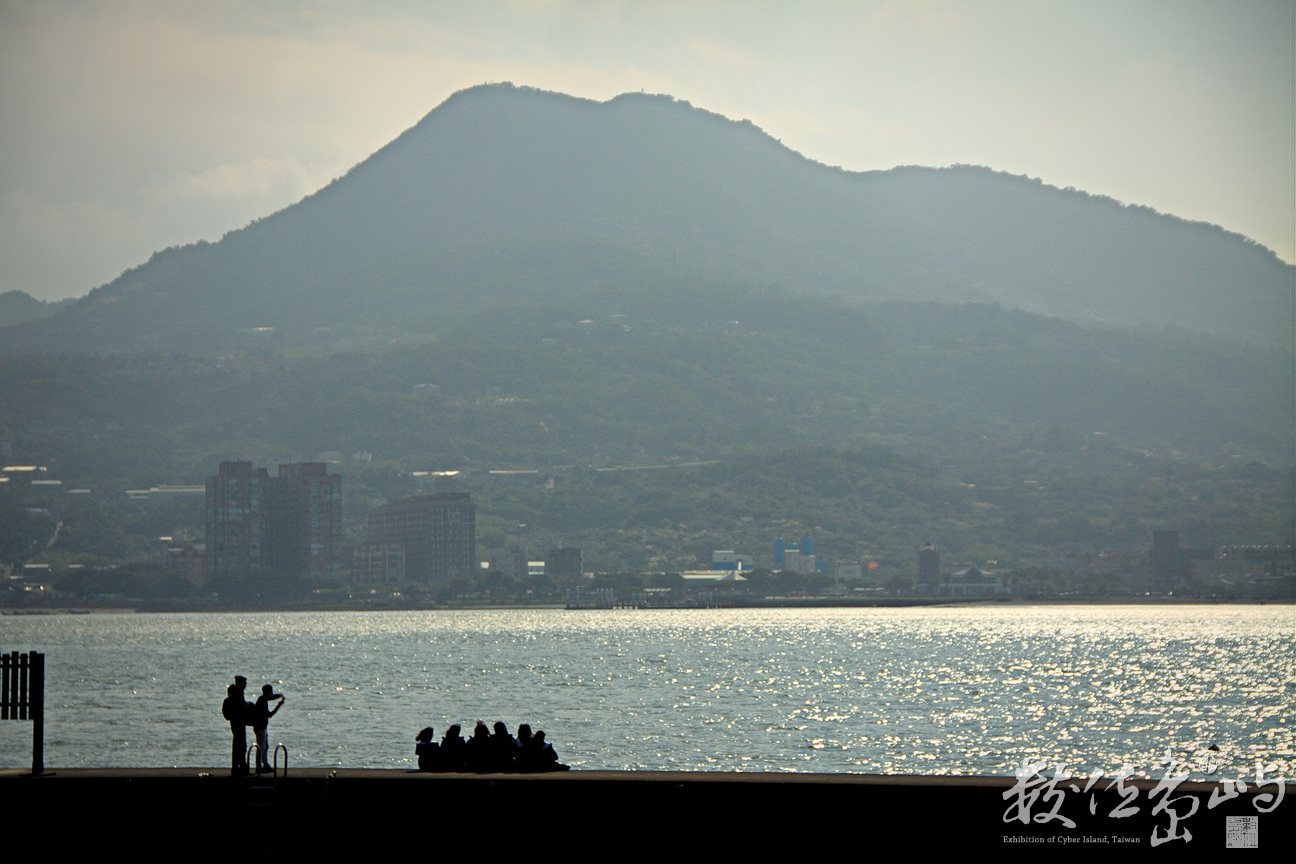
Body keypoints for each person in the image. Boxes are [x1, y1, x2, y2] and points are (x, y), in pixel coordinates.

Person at [251, 683, 284, 772]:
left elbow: (270, 698)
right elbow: (270, 715)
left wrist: (278, 696)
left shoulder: (262, 699)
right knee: (261, 747)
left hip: (262, 727)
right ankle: (258, 767)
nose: (272, 693)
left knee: (265, 747)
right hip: (260, 728)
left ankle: (265, 764)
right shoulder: (262, 702)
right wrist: (278, 706)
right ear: (267, 692)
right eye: (271, 692)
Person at [221, 675, 251, 776]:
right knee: (241, 745)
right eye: (244, 683)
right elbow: (240, 707)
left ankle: (237, 767)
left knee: (237, 744)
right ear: (240, 684)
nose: (245, 685)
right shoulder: (238, 694)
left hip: (235, 722)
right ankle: (241, 767)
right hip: (238, 722)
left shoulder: (234, 693)